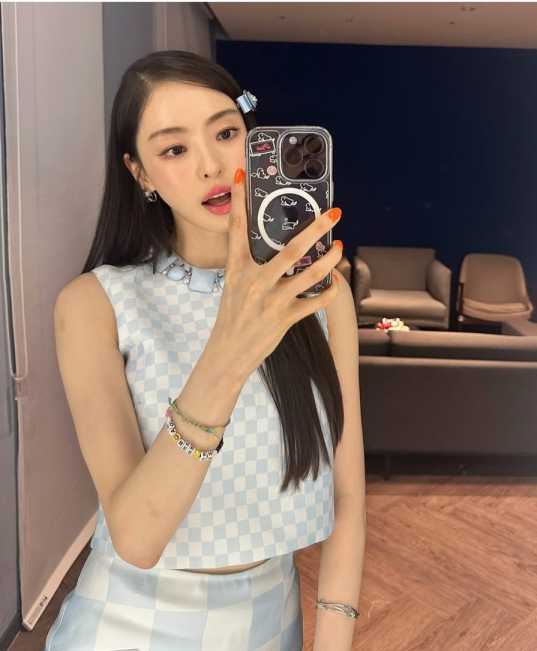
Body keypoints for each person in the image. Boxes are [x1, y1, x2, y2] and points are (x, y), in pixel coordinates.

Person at [46, 49, 351, 650]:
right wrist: (231, 346)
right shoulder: (95, 305)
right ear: (139, 173)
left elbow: (347, 494)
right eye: (174, 149)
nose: (212, 165)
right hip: (128, 629)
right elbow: (136, 538)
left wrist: (335, 640)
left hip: (273, 625)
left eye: (226, 133)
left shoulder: (321, 295)